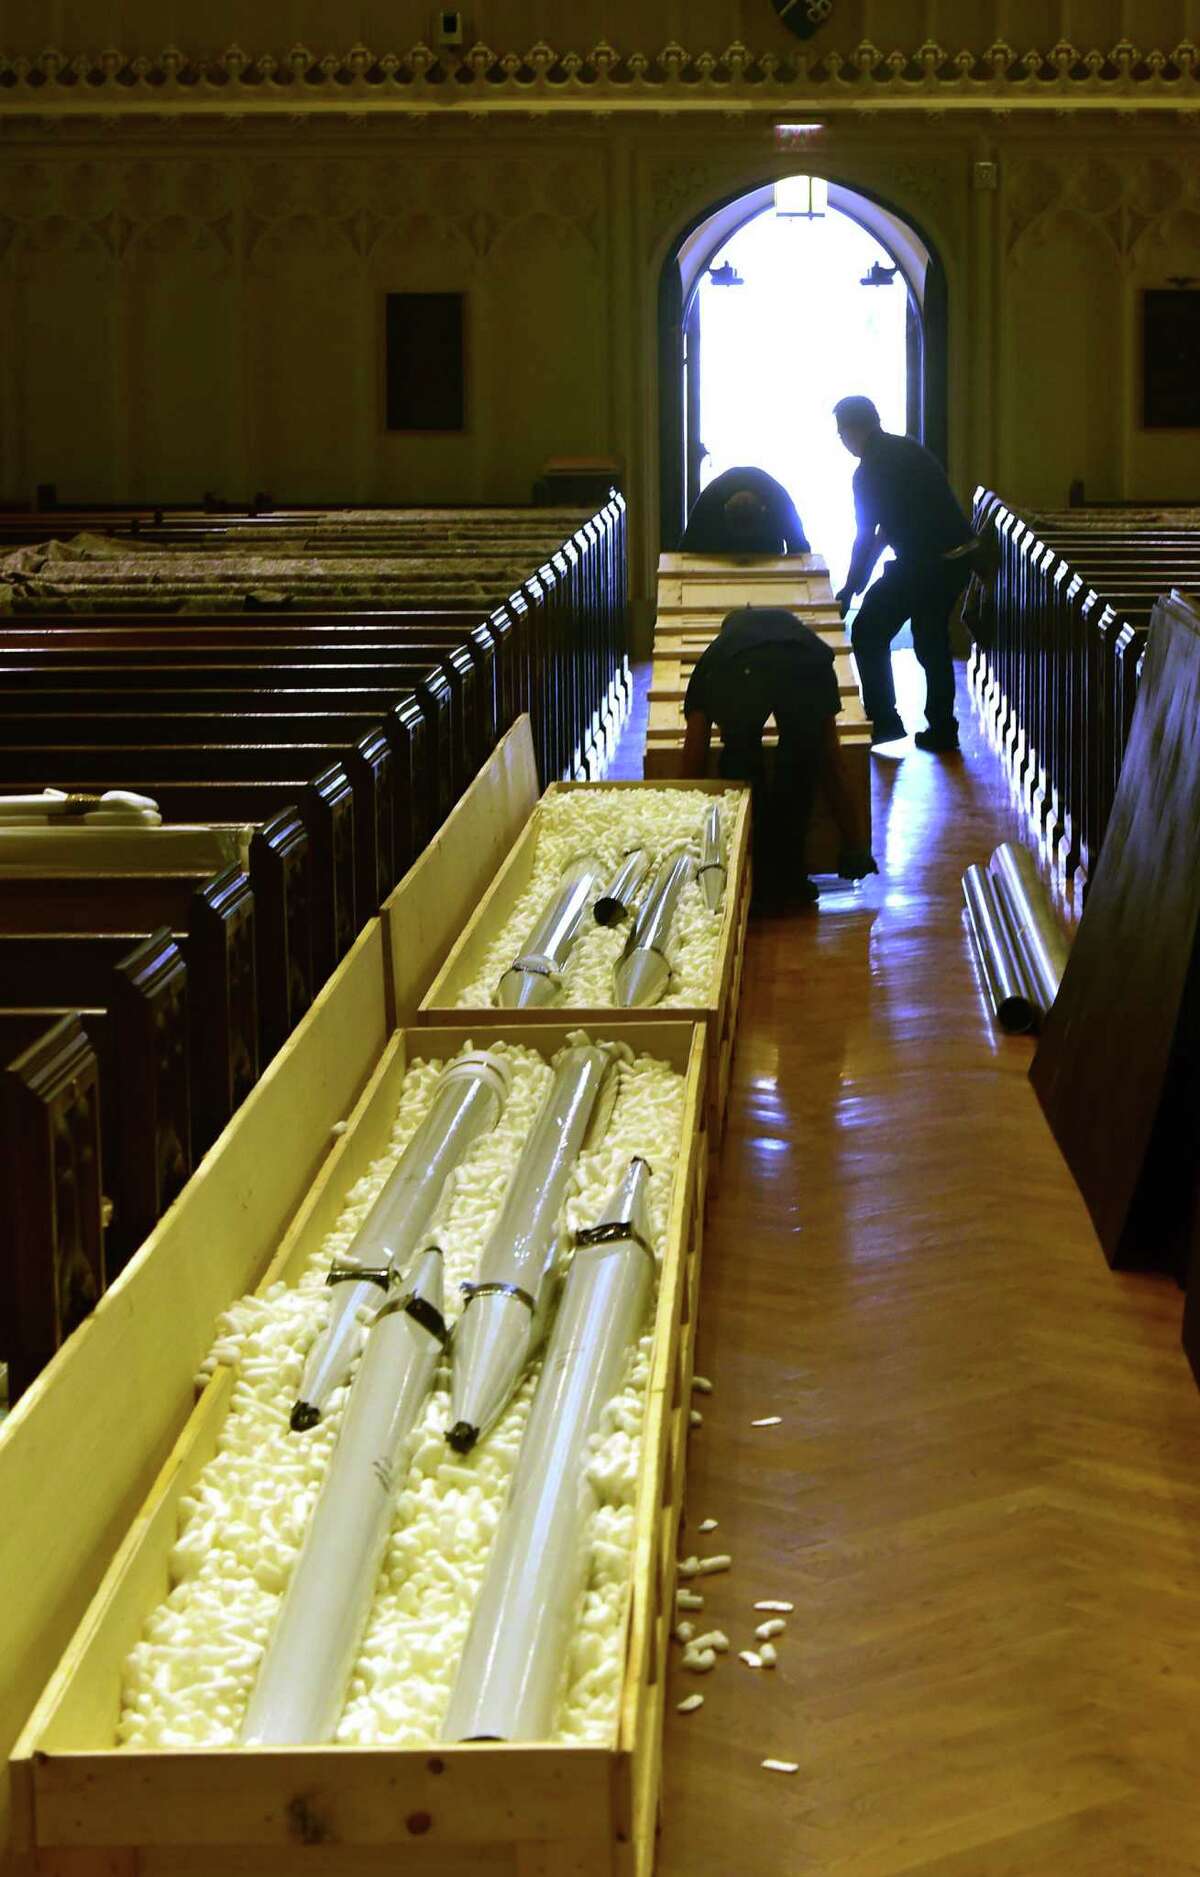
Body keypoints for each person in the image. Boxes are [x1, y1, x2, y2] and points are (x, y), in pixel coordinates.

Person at [680, 605, 877, 913]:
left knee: (741, 764)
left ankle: (753, 878)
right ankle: (790, 879)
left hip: (739, 668)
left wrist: (681, 836)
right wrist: (855, 847)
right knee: (800, 763)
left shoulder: (717, 655)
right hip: (807, 664)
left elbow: (695, 749)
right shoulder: (803, 639)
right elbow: (832, 758)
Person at [833, 395, 975, 753]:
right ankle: (943, 727)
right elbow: (884, 530)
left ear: (852, 430)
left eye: (841, 433)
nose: (842, 441)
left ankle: (884, 719)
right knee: (931, 640)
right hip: (955, 558)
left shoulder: (868, 471)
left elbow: (867, 535)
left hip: (923, 562)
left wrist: (851, 589)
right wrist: (856, 585)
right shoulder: (907, 449)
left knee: (867, 629)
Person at [680, 465, 810, 557]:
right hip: (723, 554)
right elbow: (685, 553)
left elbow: (801, 551)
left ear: (764, 511)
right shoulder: (710, 501)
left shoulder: (779, 501)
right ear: (723, 511)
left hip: (766, 556)